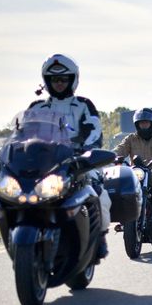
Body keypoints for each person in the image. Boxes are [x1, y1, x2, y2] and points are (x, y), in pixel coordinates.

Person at [29, 54, 110, 258]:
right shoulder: (37, 107)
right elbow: (22, 134)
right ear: (47, 81)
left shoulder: (83, 105)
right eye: (54, 79)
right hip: (45, 163)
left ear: (72, 80)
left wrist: (88, 149)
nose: (59, 83)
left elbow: (94, 129)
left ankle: (99, 236)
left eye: (63, 79)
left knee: (98, 191)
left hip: (78, 161)